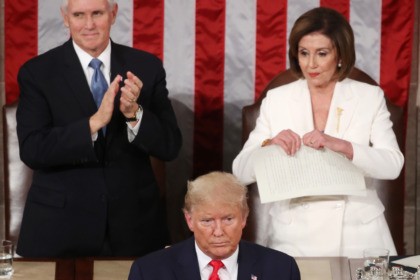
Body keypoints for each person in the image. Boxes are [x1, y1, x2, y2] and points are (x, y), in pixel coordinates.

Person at [232, 7, 404, 258]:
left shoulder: (369, 97)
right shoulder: (277, 99)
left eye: (321, 54)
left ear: (341, 55)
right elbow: (240, 171)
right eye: (304, 53)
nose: (310, 64)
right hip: (293, 237)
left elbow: (393, 164)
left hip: (360, 234)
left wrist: (344, 146)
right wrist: (268, 146)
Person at [15, 0, 182, 257]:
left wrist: (134, 114)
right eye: (79, 15)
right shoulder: (37, 73)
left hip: (135, 228)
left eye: (97, 13)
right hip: (61, 230)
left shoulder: (146, 67)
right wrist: (93, 124)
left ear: (113, 14)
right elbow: (33, 150)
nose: (89, 24)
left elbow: (170, 146)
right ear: (65, 17)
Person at [128, 171, 301, 280]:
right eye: (207, 221)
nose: (218, 232)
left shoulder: (281, 270)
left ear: (244, 218)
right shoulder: (149, 272)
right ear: (189, 220)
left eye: (228, 219)